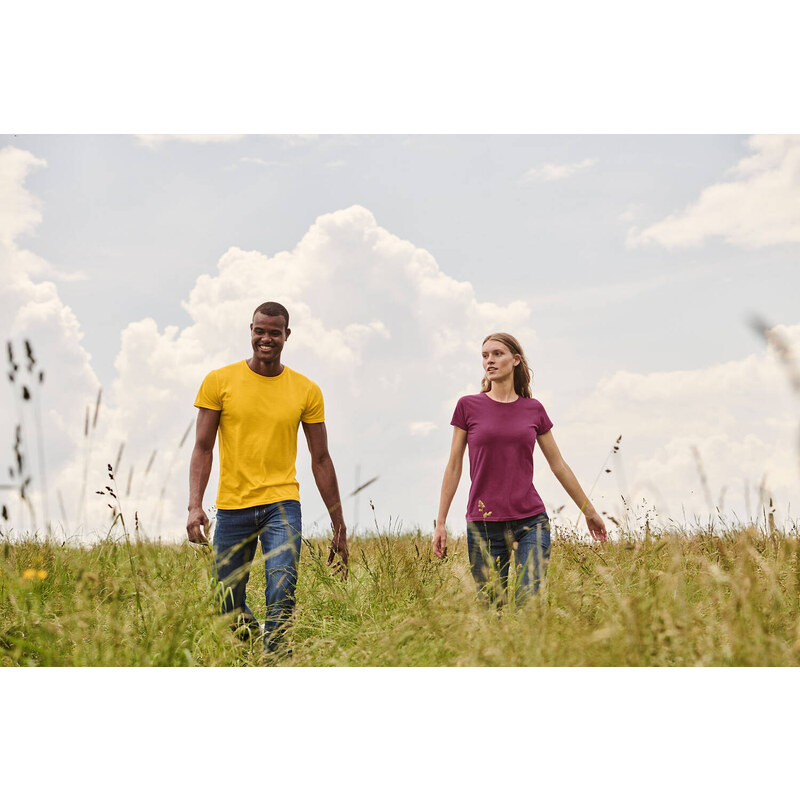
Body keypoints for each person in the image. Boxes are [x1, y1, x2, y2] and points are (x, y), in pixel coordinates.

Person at [186, 301, 348, 652]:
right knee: (224, 600)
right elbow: (202, 448)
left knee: (281, 587)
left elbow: (320, 458)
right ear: (251, 330)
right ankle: (259, 640)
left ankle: (276, 659)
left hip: (282, 505)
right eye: (260, 330)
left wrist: (339, 524)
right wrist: (194, 505)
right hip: (232, 507)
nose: (266, 338)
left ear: (287, 335)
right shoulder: (219, 381)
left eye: (275, 332)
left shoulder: (306, 390)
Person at [432, 332, 606, 606]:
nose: (489, 360)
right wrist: (440, 522)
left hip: (531, 522)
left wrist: (590, 511)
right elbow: (454, 465)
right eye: (485, 355)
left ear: (515, 360)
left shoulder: (533, 410)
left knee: (529, 603)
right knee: (492, 612)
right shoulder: (468, 407)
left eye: (497, 354)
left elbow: (558, 465)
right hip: (483, 525)